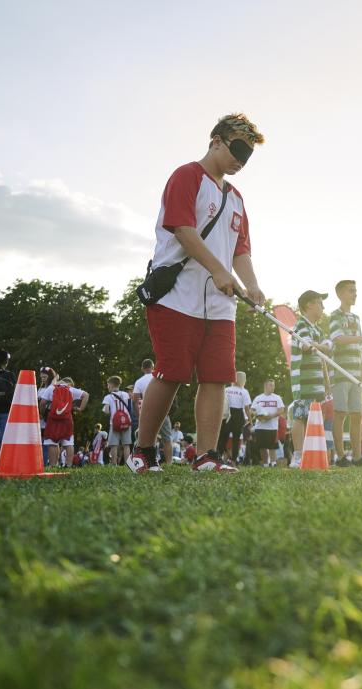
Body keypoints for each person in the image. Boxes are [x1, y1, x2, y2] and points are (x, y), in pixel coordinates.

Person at [130, 114, 265, 474]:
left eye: (248, 155)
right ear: (216, 141)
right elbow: (183, 230)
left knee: (217, 375)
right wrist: (218, 270)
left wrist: (250, 283)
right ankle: (142, 451)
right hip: (177, 294)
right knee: (171, 372)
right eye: (237, 149)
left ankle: (206, 456)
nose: (241, 160)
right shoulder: (187, 176)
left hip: (220, 302)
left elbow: (240, 249)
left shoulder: (236, 198)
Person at [328, 280, 362, 466]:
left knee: (357, 414)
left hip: (356, 372)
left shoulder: (357, 318)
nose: (355, 294)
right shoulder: (334, 316)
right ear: (341, 294)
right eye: (351, 291)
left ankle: (358, 457)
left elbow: (357, 346)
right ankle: (341, 456)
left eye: (355, 291)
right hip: (341, 371)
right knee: (340, 413)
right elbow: (339, 339)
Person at [291, 290, 333, 464]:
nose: (323, 307)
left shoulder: (317, 329)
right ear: (309, 305)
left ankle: (311, 454)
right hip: (303, 381)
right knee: (300, 415)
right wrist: (324, 346)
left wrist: (327, 381)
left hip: (317, 382)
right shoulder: (301, 325)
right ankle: (298, 456)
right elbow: (307, 346)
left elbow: (325, 350)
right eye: (320, 303)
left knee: (313, 417)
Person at [39, 375, 89, 467]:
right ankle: (69, 465)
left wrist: (42, 413)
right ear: (69, 384)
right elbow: (86, 395)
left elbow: (42, 403)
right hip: (66, 419)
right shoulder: (71, 389)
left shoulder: (51, 388)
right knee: (68, 443)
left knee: (52, 443)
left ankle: (53, 465)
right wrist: (80, 409)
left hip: (53, 419)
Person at [250, 378, 285, 467]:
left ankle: (273, 463)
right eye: (271, 385)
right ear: (265, 386)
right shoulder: (258, 398)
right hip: (260, 426)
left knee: (272, 447)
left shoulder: (277, 398)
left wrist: (271, 416)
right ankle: (265, 464)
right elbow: (252, 410)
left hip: (272, 427)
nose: (273, 387)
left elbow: (281, 410)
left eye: (273, 385)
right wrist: (258, 416)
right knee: (262, 447)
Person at [102, 375, 134, 467]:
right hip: (126, 422)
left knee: (114, 444)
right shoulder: (126, 394)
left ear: (111, 385)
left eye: (108, 385)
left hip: (114, 423)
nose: (108, 387)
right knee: (126, 444)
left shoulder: (108, 397)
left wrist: (105, 410)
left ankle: (114, 464)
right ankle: (128, 465)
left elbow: (107, 411)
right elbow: (129, 408)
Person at [221, 372, 252, 462]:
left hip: (227, 415)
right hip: (238, 415)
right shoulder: (244, 391)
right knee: (236, 440)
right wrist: (250, 421)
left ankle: (220, 456)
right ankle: (233, 460)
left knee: (223, 438)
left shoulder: (226, 389)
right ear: (243, 380)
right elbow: (247, 409)